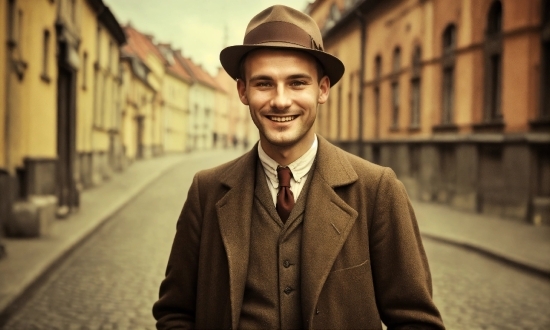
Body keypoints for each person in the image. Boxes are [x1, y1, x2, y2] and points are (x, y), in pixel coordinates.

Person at [153, 4, 445, 330]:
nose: (280, 100)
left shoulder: (376, 189)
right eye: (264, 83)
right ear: (242, 90)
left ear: (322, 89)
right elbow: (175, 313)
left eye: (297, 83)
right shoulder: (206, 191)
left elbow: (417, 322)